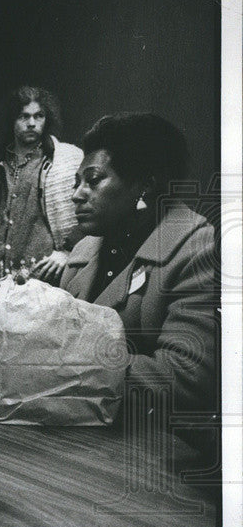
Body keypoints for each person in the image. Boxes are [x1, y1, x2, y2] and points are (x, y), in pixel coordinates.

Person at [62, 112, 217, 451]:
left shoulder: (197, 249)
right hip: (70, 435)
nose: (78, 194)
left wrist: (67, 363)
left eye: (94, 179)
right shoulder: (82, 250)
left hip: (149, 450)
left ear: (144, 186)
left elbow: (184, 380)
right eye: (77, 182)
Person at [0, 85, 84, 283]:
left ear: (47, 119)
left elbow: (92, 211)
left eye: (39, 116)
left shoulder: (68, 159)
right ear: (11, 120)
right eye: (23, 116)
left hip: (44, 277)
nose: (32, 123)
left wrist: (68, 251)